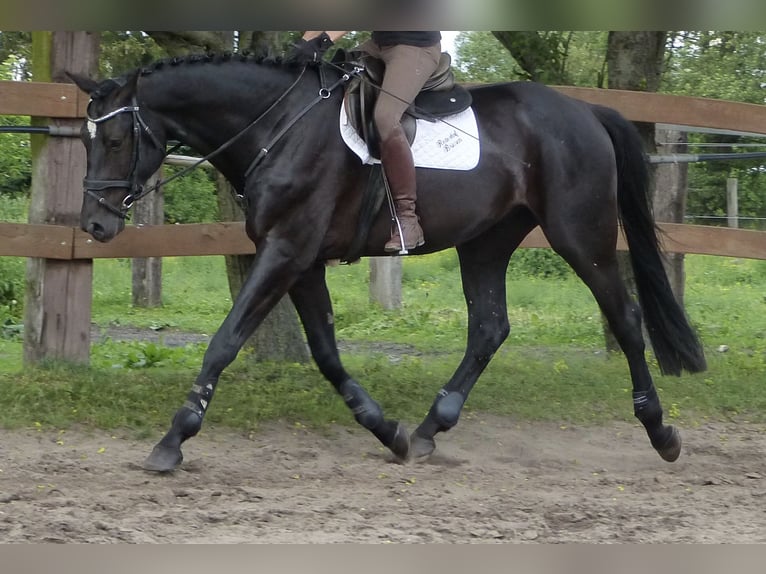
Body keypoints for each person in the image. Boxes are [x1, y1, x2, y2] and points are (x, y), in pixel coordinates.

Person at [289, 31, 442, 252]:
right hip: (377, 46)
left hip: (415, 47)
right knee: (327, 89)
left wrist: (322, 42)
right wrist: (302, 45)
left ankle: (408, 219)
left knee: (385, 118)